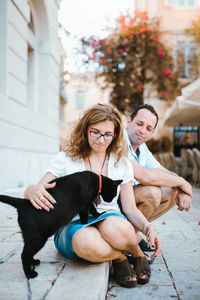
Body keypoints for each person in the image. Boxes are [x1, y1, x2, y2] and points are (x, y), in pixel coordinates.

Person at [24, 103, 161, 288]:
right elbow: (36, 189)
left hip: (109, 218)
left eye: (107, 134)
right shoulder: (66, 159)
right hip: (72, 224)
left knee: (118, 229)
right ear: (86, 129)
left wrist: (148, 228)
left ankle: (137, 253)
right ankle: (119, 257)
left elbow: (129, 208)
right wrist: (30, 190)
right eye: (95, 132)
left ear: (115, 135)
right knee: (87, 242)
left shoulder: (121, 163)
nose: (101, 140)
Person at [124, 104, 192, 252]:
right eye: (139, 124)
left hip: (128, 204)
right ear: (128, 122)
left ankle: (131, 235)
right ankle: (126, 240)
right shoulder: (120, 142)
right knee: (152, 193)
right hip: (113, 204)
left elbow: (164, 173)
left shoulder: (142, 147)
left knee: (171, 190)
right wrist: (182, 182)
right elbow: (144, 176)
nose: (142, 131)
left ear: (153, 132)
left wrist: (181, 188)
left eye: (149, 128)